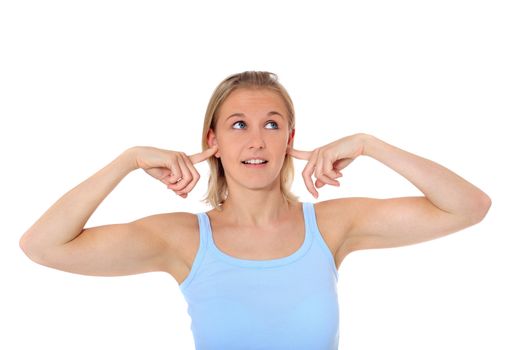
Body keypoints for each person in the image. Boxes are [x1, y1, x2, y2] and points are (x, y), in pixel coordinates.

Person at [20, 71, 491, 349]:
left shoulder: (330, 226)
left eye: (271, 124)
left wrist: (370, 145)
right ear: (214, 142)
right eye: (238, 124)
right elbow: (42, 246)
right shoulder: (182, 239)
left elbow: (469, 207)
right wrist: (127, 161)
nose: (256, 140)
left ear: (289, 139)